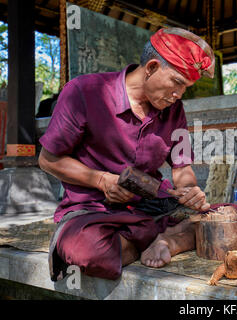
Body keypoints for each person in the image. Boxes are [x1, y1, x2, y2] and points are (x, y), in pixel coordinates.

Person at [39, 28, 214, 281]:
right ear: (152, 67)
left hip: (152, 207)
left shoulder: (175, 109)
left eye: (185, 88)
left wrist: (189, 191)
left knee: (229, 216)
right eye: (177, 82)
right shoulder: (84, 91)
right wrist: (101, 180)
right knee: (85, 251)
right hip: (93, 210)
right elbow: (47, 159)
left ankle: (167, 242)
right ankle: (166, 238)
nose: (179, 95)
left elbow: (182, 167)